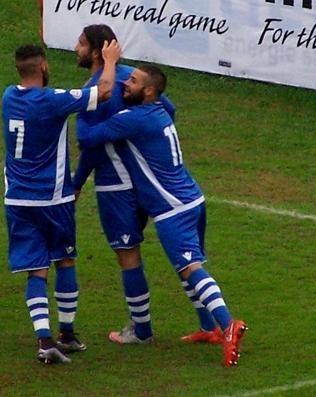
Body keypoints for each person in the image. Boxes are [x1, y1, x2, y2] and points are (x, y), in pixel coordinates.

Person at [76, 64, 248, 367]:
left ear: (150, 91)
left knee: (190, 269)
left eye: (133, 81)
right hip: (193, 199)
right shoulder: (160, 112)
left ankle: (227, 324)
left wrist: (82, 107)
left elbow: (88, 137)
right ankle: (208, 328)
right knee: (187, 267)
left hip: (172, 209)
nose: (124, 84)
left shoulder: (133, 120)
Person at [70, 25, 218, 346]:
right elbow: (168, 107)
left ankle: (142, 329)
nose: (76, 48)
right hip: (148, 183)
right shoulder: (132, 77)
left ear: (97, 51)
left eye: (81, 43)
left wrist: (77, 182)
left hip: (115, 184)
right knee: (183, 260)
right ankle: (209, 325)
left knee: (128, 254)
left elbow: (90, 144)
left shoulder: (98, 89)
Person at [0, 41, 121, 364]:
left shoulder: (9, 97)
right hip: (53, 199)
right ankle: (66, 333)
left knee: (36, 271)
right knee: (64, 261)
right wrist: (109, 61)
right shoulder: (53, 101)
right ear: (43, 67)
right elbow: (105, 91)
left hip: (18, 200)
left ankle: (44, 340)